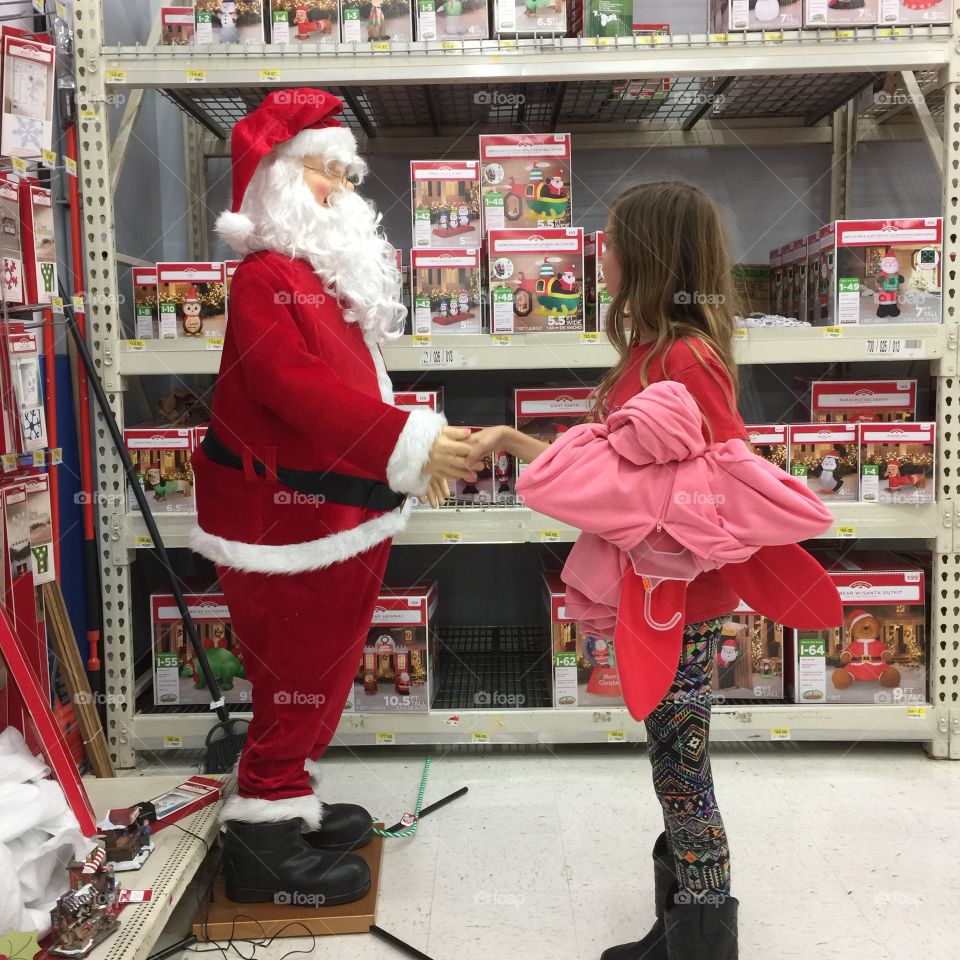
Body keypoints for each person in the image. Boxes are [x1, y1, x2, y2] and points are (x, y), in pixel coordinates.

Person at [190, 89, 473, 906]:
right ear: (277, 181)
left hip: (342, 508)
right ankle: (263, 839)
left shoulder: (317, 278)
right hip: (283, 522)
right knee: (296, 671)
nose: (343, 192)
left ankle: (291, 796)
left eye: (347, 176)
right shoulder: (265, 279)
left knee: (331, 662)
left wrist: (402, 454)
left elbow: (347, 391)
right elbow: (290, 387)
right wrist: (408, 441)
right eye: (325, 173)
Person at [467, 181, 743, 958]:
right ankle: (683, 923)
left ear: (650, 258)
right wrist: (512, 442)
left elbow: (723, 481)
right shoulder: (648, 355)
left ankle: (703, 940)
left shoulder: (684, 360)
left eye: (614, 241)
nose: (601, 254)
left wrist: (641, 514)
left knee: (683, 772)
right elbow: (607, 468)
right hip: (653, 600)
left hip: (680, 603)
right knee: (673, 765)